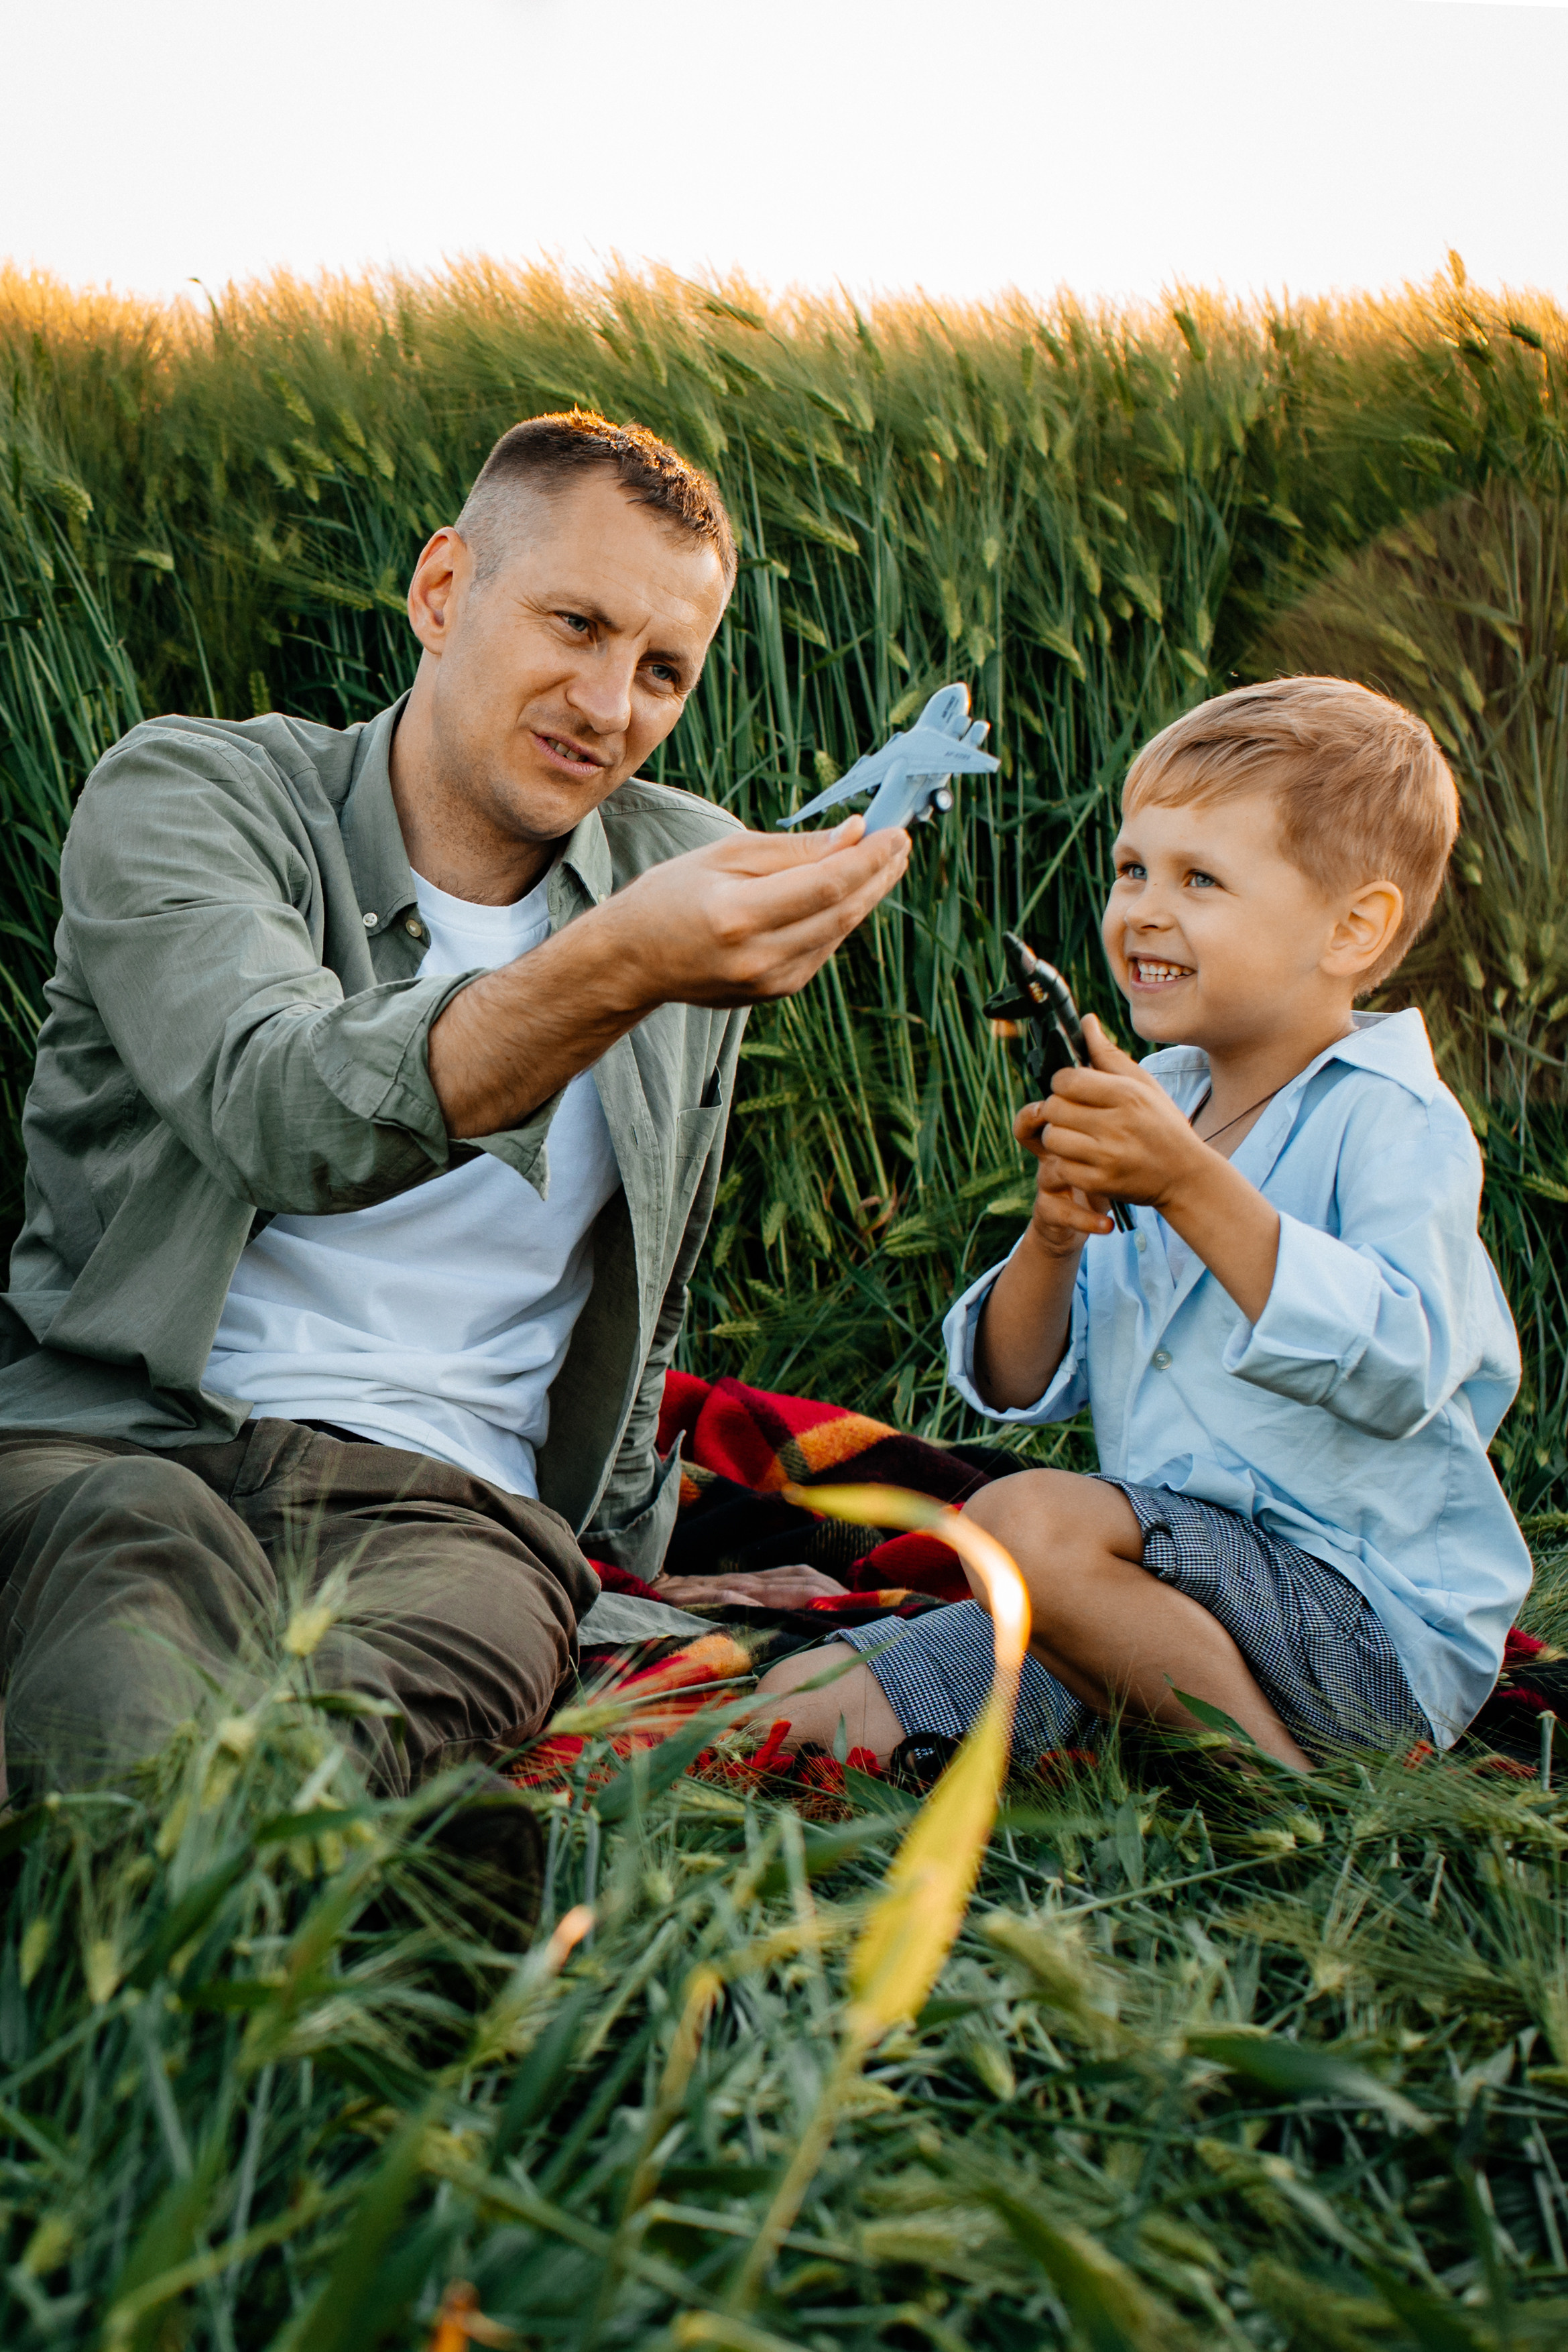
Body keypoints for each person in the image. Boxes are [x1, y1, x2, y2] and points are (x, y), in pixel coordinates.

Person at [0, 410, 907, 1797]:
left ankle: (255, 1877)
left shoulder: (687, 872)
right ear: (441, 591)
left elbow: (647, 1289)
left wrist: (636, 1569)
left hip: (449, 1511)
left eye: (664, 668)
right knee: (126, 1594)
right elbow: (278, 1103)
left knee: (442, 1653)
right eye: (575, 625)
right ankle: (328, 1906)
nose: (611, 707)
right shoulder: (197, 792)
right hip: (129, 1441)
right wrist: (617, 964)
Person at [758, 677, 1532, 1771]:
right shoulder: (1163, 1099)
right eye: (1133, 870)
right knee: (811, 1701)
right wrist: (1057, 1236)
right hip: (1144, 1604)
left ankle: (1289, 1800)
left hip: (1355, 1631)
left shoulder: (1390, 1117)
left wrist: (1186, 1187)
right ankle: (1154, 1740)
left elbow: (1405, 1367)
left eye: (1201, 879)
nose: (1143, 911)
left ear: (1353, 928)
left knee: (1026, 1525)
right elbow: (1022, 1384)